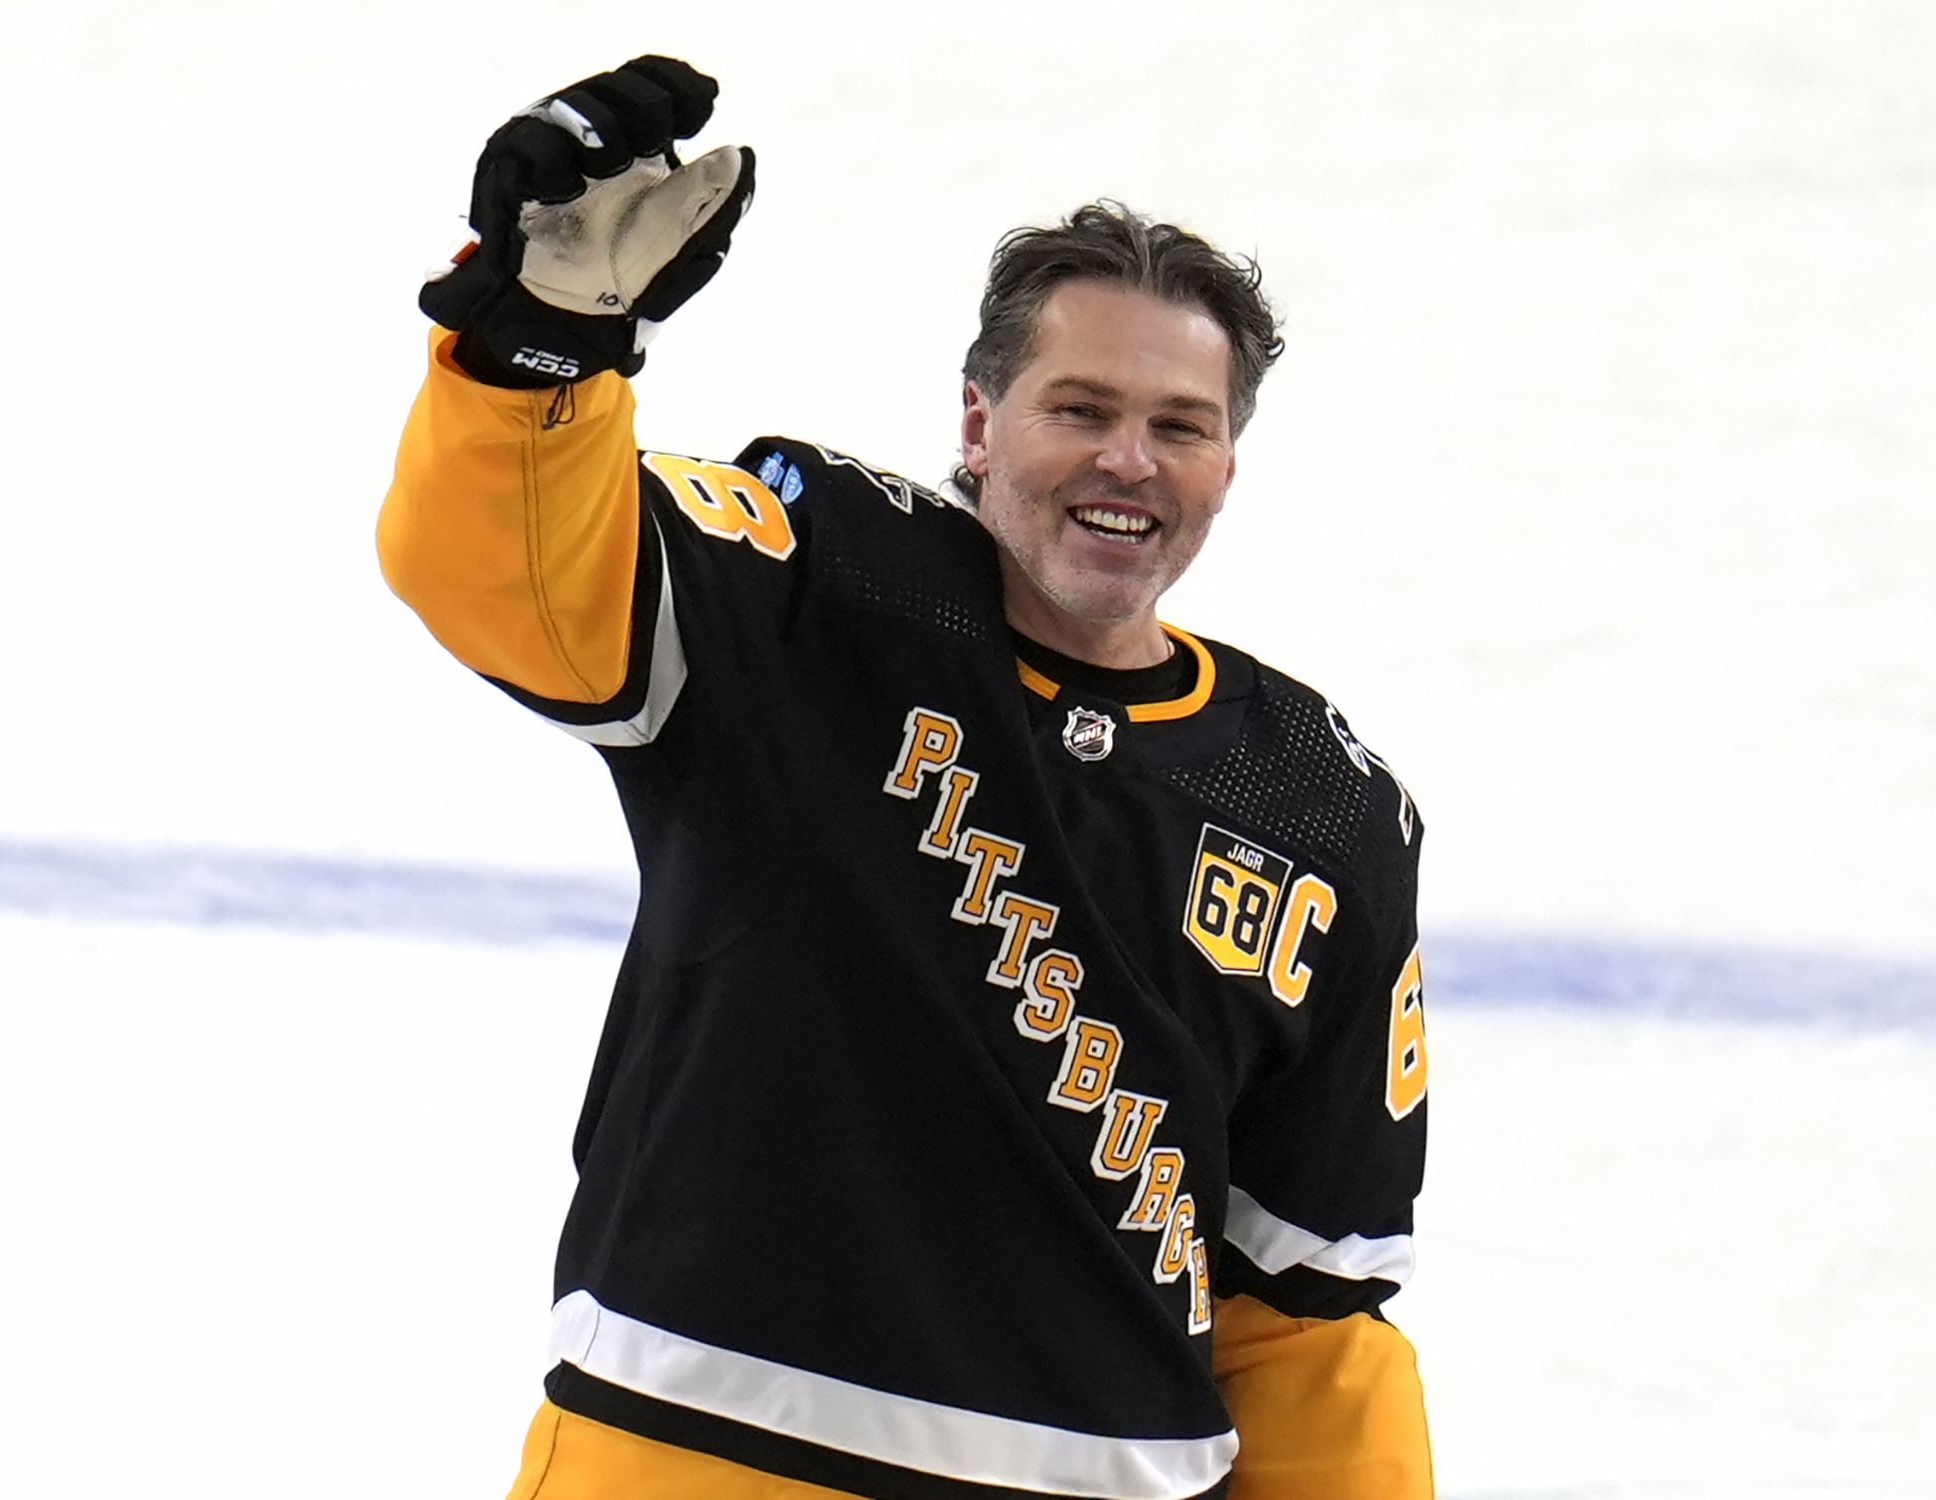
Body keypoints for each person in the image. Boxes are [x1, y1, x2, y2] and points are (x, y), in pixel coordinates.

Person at [380, 57, 1433, 1500]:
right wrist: (545, 344)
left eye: (1179, 426)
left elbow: (1306, 1316)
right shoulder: (815, 589)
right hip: (701, 1454)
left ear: (1226, 465)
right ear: (980, 423)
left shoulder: (1320, 805)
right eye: (1079, 407)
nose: (1128, 460)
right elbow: (510, 583)